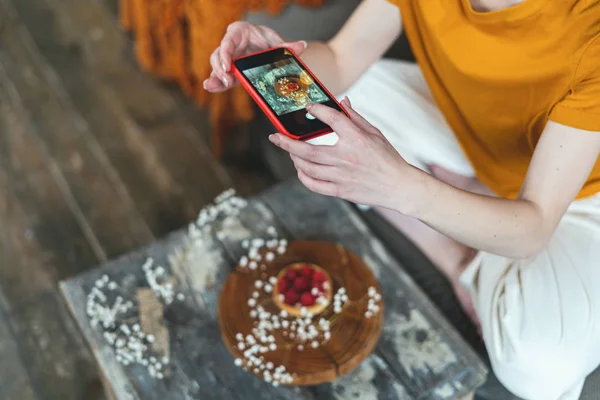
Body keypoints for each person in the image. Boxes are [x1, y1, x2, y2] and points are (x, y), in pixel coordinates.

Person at [204, 1, 600, 398]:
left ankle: (472, 234)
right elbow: (342, 62)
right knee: (338, 103)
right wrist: (271, 65)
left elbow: (534, 225)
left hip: (577, 196)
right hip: (476, 136)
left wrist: (402, 185)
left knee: (540, 368)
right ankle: (463, 239)